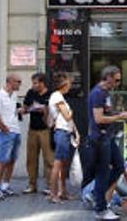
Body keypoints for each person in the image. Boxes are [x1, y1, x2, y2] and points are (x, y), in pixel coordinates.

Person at [89, 66, 127, 220]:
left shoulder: (106, 93)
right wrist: (120, 116)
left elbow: (106, 114)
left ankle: (96, 194)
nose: (118, 83)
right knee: (103, 172)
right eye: (116, 79)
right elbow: (98, 118)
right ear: (108, 77)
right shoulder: (98, 93)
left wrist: (117, 114)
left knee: (120, 166)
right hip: (100, 139)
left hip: (108, 137)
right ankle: (100, 209)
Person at [0, 74, 22, 200]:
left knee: (12, 160)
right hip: (6, 132)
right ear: (10, 82)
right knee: (3, 160)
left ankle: (5, 186)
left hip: (16, 130)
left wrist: (20, 111)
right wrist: (5, 129)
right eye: (18, 82)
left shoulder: (14, 95)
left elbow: (12, 112)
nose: (20, 84)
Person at [48, 72, 77, 203]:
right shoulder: (57, 96)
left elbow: (68, 118)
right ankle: (53, 194)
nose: (70, 85)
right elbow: (67, 116)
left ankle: (63, 191)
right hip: (61, 132)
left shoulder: (61, 97)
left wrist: (76, 132)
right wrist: (72, 112)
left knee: (64, 164)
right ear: (64, 84)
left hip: (66, 132)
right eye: (69, 82)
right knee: (58, 163)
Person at [22, 73, 53, 195]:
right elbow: (25, 108)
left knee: (49, 159)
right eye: (33, 83)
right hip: (32, 129)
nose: (33, 85)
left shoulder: (50, 95)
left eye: (35, 83)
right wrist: (28, 109)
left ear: (42, 83)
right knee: (31, 158)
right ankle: (32, 185)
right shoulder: (31, 93)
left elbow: (54, 112)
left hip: (46, 129)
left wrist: (45, 110)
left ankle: (50, 186)